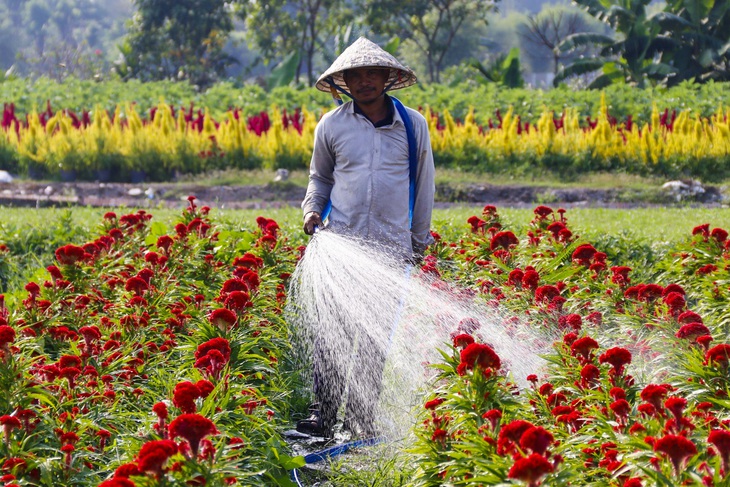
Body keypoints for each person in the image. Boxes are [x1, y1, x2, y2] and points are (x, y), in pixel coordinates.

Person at [296, 37, 435, 438]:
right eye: (356, 76)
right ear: (345, 82)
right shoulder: (333, 125)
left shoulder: (412, 126)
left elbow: (423, 186)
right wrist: (310, 211)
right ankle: (322, 417)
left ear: (387, 78)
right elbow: (320, 178)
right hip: (341, 244)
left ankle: (360, 421)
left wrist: (419, 244)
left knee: (373, 341)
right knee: (331, 335)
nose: (365, 82)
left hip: (391, 249)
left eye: (373, 73)